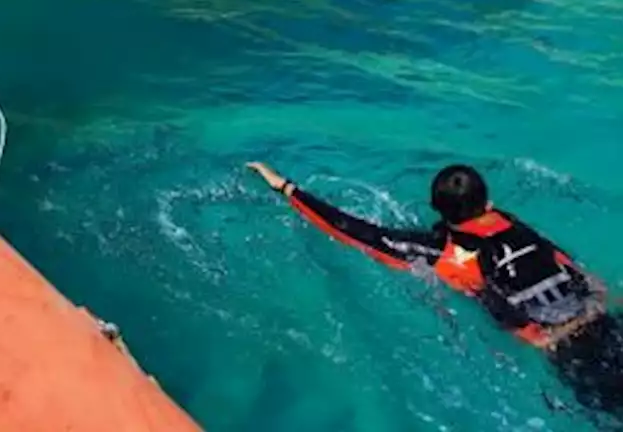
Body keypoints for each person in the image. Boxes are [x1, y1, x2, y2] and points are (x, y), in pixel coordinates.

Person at [247, 161, 623, 419]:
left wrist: (286, 187)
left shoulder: (441, 253)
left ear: (437, 210)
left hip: (568, 352)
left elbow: (356, 232)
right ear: (488, 203)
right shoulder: (512, 224)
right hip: (606, 322)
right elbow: (579, 273)